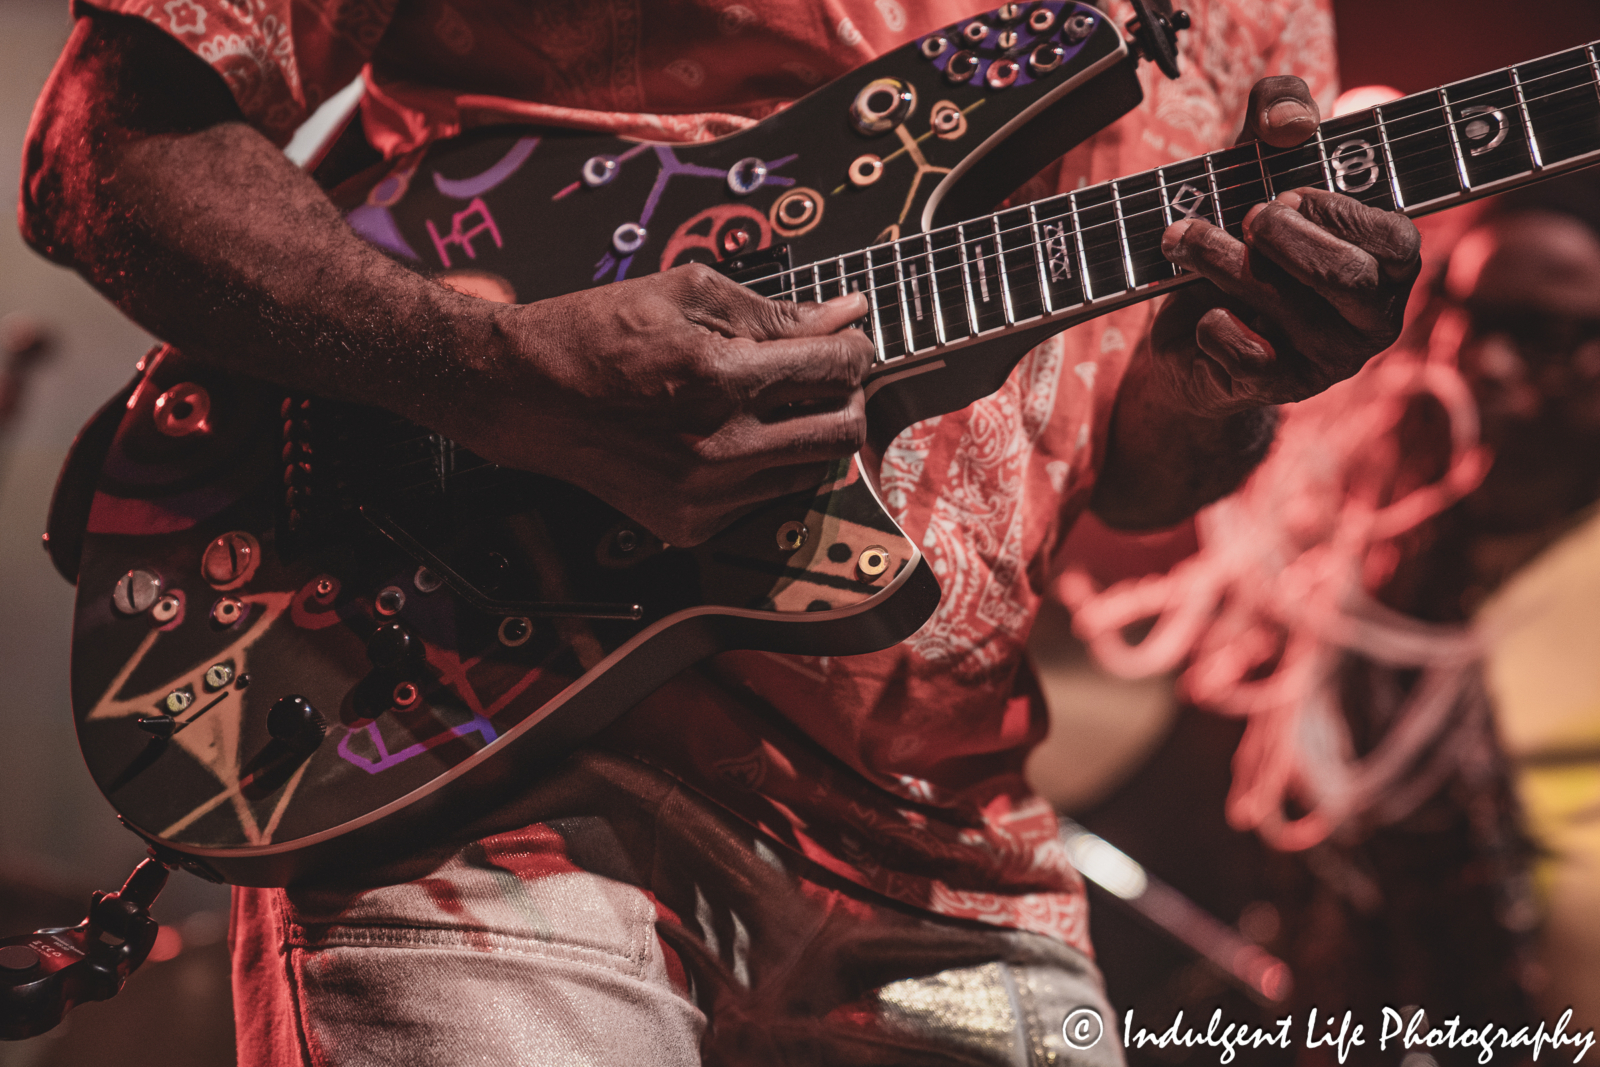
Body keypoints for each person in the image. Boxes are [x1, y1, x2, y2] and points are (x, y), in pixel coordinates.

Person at [18, 0, 1419, 1063]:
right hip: (476, 743)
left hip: (955, 832)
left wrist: (1239, 365)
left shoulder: (1257, 16)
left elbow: (1133, 468)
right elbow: (108, 142)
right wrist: (498, 381)